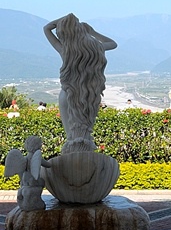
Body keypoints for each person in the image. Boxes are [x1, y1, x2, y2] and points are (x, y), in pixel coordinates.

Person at [44, 13, 117, 153]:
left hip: (68, 95)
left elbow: (47, 28)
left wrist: (64, 20)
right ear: (81, 32)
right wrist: (92, 32)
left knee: (71, 136)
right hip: (87, 97)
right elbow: (113, 44)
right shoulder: (95, 49)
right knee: (85, 133)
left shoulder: (65, 51)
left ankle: (72, 159)